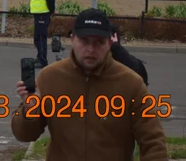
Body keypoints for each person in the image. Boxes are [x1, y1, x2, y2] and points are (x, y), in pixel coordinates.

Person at [12, 9, 167, 161]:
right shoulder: (49, 78)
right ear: (72, 39)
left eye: (98, 42)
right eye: (84, 41)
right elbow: (24, 135)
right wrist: (30, 108)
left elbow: (153, 142)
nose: (91, 49)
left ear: (109, 43)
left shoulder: (131, 84)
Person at [30, 0, 55, 67]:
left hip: (42, 14)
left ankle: (42, 60)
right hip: (40, 13)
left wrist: (52, 10)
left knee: (40, 38)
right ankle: (40, 57)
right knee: (38, 38)